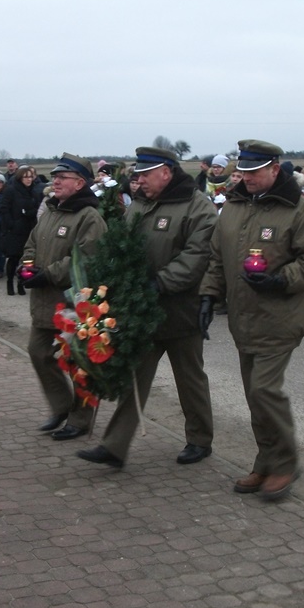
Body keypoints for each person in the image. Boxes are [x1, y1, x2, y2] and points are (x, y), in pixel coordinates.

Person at [199, 140, 304, 502]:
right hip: (243, 320)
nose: (248, 178)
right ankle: (266, 460)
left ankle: (286, 463)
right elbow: (216, 257)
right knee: (254, 396)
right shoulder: (233, 207)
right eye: (245, 171)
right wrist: (209, 295)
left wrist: (281, 279)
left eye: (256, 171)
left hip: (281, 317)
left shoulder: (300, 211)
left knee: (264, 390)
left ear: (275, 169)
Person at [77, 146, 217, 469]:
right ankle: (114, 446)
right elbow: (124, 246)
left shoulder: (198, 208)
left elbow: (197, 257)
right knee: (134, 377)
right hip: (141, 311)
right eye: (137, 175)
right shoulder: (139, 205)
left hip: (181, 310)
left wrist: (159, 283)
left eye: (145, 175)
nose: (138, 181)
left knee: (190, 379)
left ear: (166, 172)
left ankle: (200, 439)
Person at [21, 153, 106, 441]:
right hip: (45, 301)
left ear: (80, 183)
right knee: (38, 352)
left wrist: (48, 274)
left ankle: (81, 420)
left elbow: (85, 259)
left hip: (73, 305)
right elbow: (32, 242)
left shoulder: (89, 216)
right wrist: (27, 265)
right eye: (55, 176)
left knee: (78, 364)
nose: (55, 180)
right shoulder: (51, 209)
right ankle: (61, 407)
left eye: (62, 177)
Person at [0, 166, 44, 296]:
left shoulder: (34, 191)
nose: (28, 179)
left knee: (25, 259)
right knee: (13, 258)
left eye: (30, 176)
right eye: (26, 177)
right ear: (20, 178)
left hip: (28, 229)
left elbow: (37, 208)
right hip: (14, 230)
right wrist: (11, 224)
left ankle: (21, 283)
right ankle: (9, 282)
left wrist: (28, 213)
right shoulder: (11, 190)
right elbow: (4, 208)